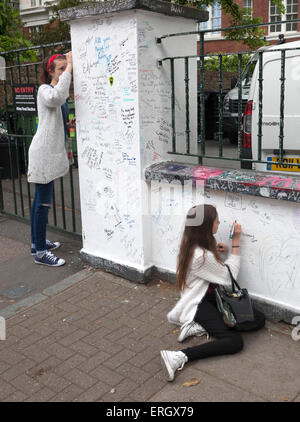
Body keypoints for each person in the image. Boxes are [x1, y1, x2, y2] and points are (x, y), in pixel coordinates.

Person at [160, 204, 265, 382]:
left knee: (257, 318)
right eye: (216, 220)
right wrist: (236, 244)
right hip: (197, 303)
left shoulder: (191, 241)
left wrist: (216, 251)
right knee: (234, 342)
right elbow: (229, 277)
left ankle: (197, 325)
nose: (219, 222)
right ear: (207, 225)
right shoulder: (201, 256)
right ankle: (178, 356)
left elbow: (205, 266)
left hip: (207, 296)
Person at [27, 51, 75, 267]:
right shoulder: (45, 90)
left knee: (40, 200)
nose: (65, 71)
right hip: (43, 153)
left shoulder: (57, 91)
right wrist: (71, 67)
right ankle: (40, 252)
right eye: (61, 69)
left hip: (50, 153)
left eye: (66, 67)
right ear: (51, 72)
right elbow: (56, 98)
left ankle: (36, 243)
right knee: (43, 203)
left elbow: (60, 111)